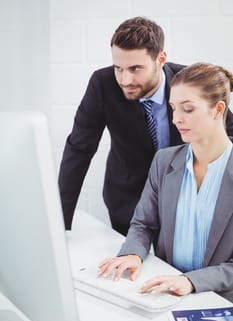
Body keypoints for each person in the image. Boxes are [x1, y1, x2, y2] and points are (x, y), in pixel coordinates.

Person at [58, 16, 233, 235]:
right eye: (118, 68)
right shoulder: (102, 84)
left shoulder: (187, 82)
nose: (125, 80)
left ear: (161, 59)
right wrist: (59, 224)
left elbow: (228, 133)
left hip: (185, 199)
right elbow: (79, 149)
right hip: (127, 200)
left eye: (135, 68)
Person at [98, 62, 233, 302]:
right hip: (166, 293)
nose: (176, 119)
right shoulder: (164, 161)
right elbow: (143, 224)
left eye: (188, 109)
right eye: (173, 108)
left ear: (217, 109)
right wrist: (133, 254)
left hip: (219, 299)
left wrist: (191, 281)